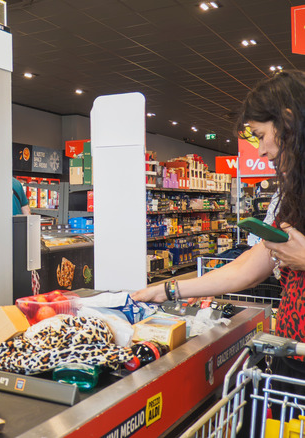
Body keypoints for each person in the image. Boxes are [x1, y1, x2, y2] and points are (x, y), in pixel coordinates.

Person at [132, 71, 305, 417]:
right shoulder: (294, 195)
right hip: (293, 360)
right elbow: (246, 267)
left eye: (260, 135)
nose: (261, 149)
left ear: (287, 120)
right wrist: (167, 289)